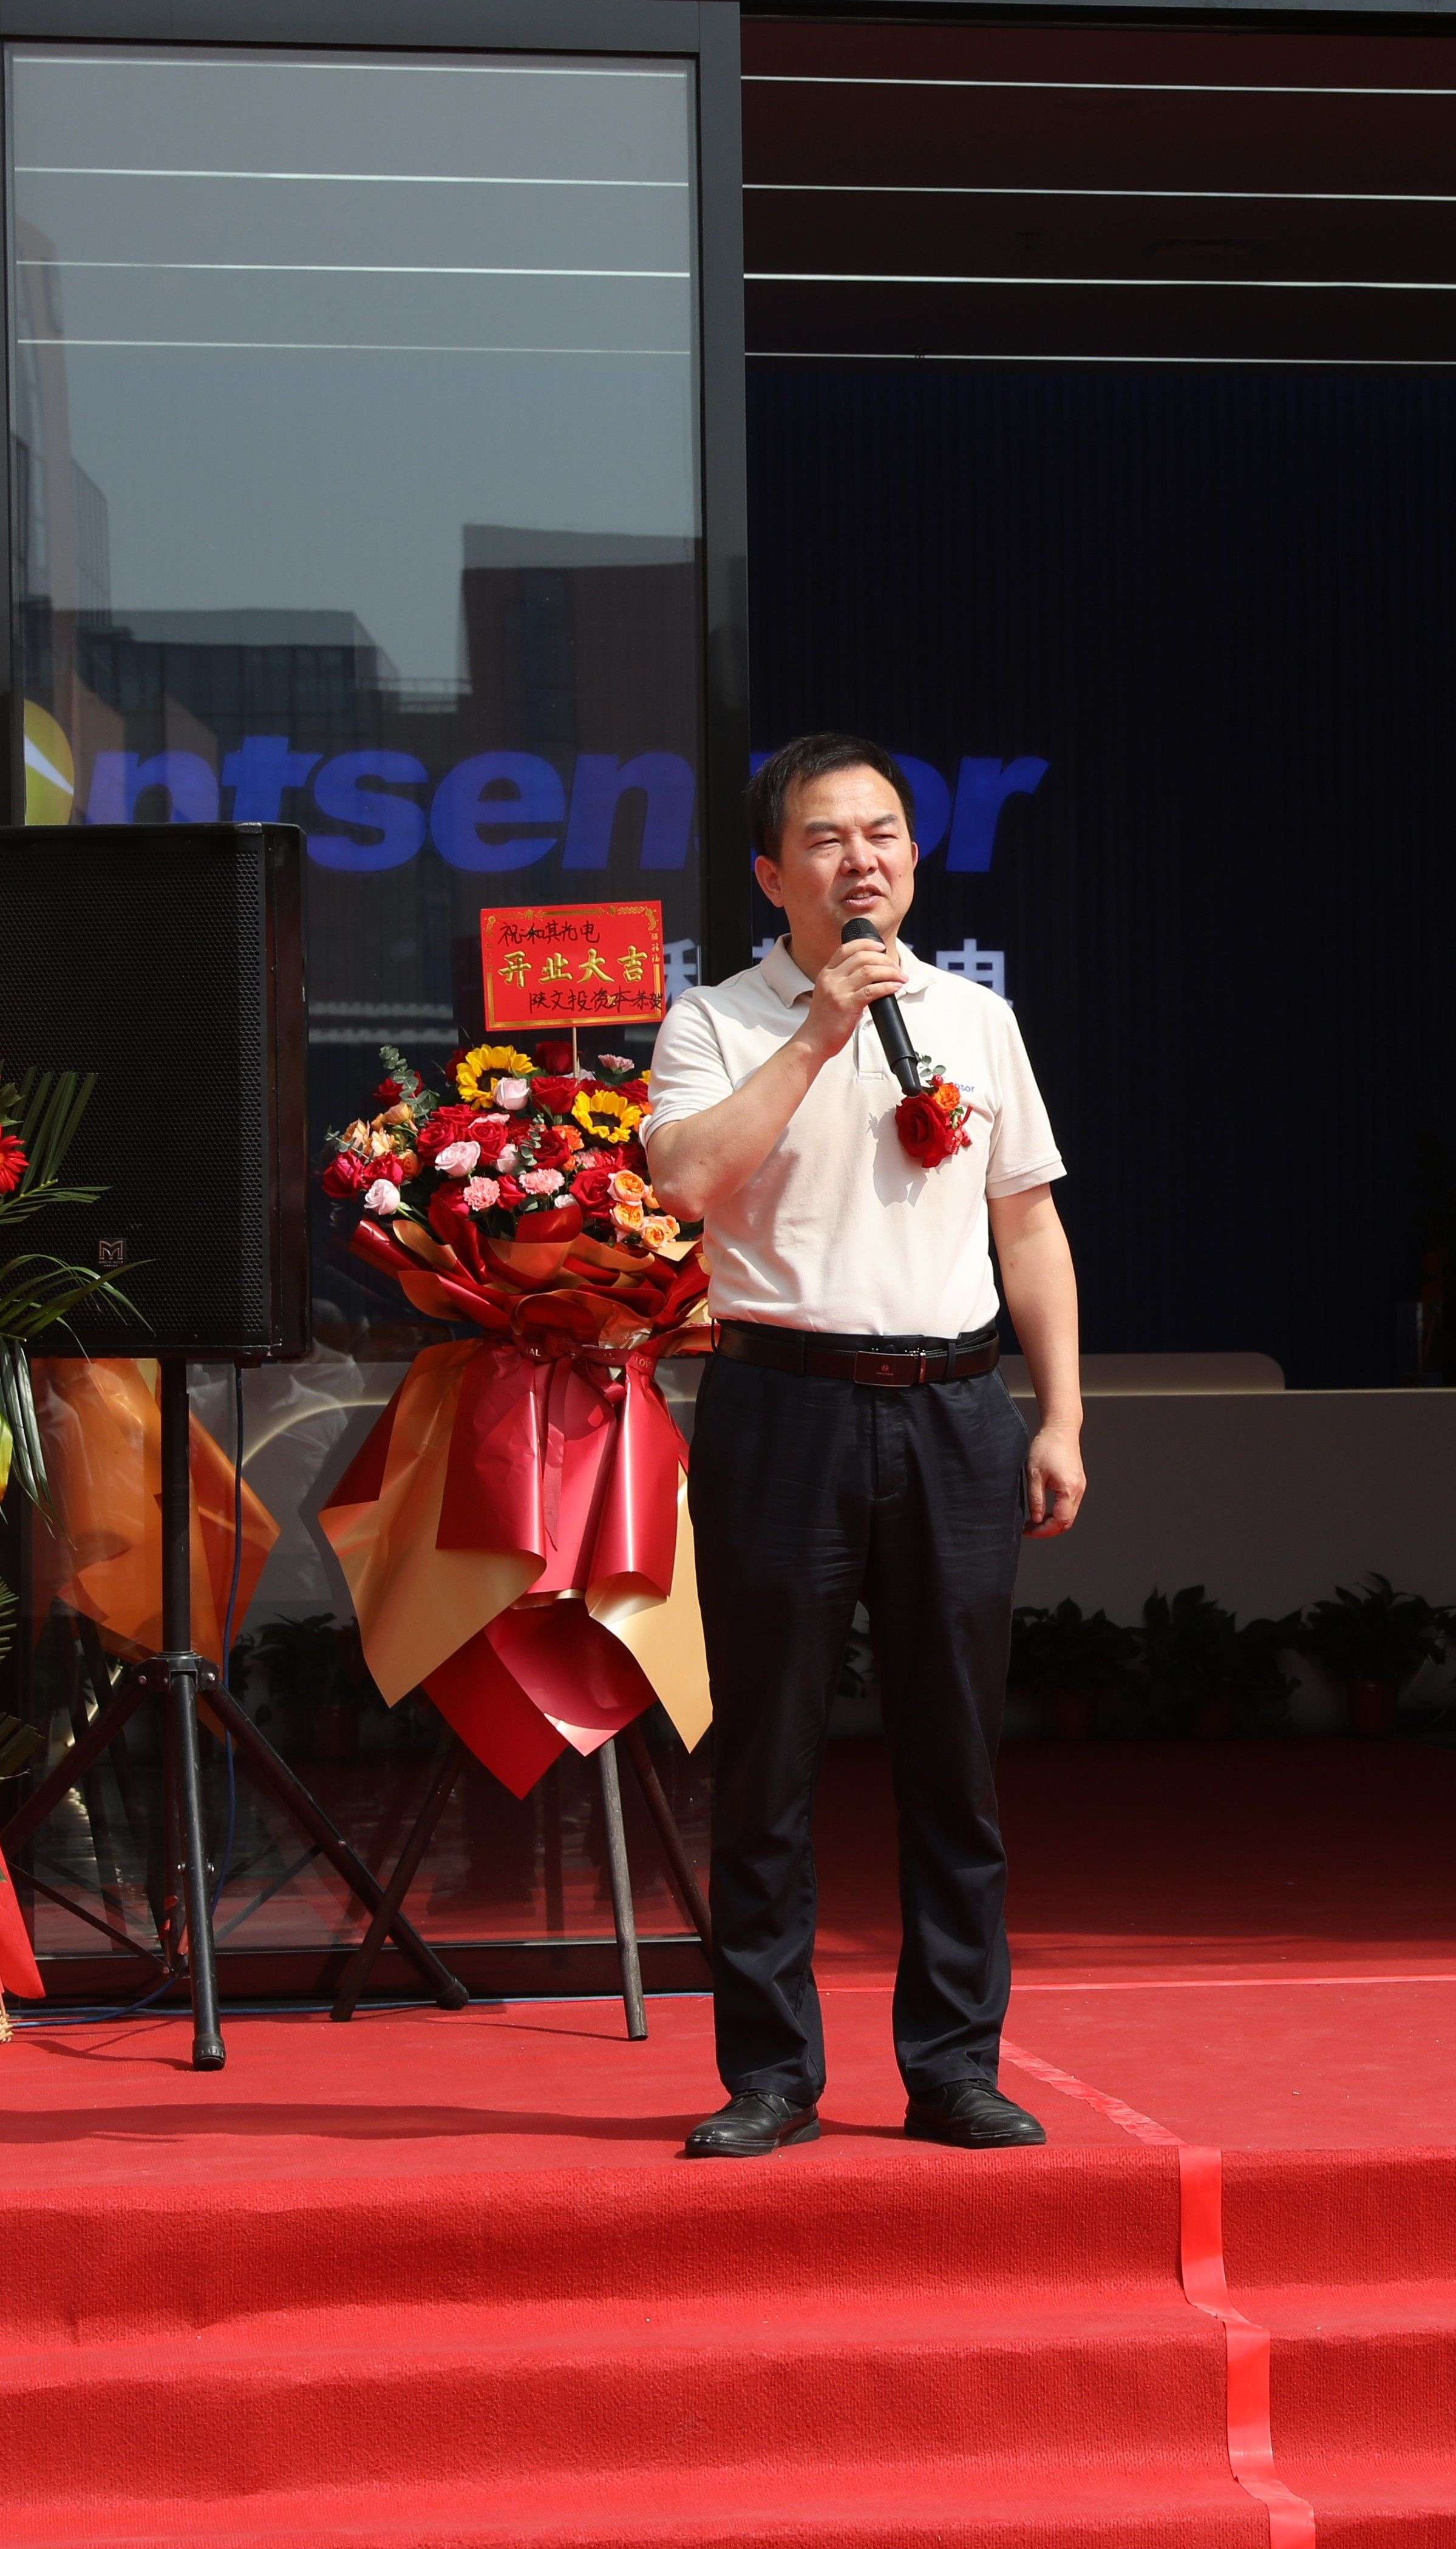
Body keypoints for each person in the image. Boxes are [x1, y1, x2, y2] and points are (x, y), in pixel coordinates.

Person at [641, 734, 1087, 2158]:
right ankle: (772, 2073)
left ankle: (954, 2063)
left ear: (913, 857)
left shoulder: (975, 1016)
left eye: (883, 833)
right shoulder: (717, 1020)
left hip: (955, 1406)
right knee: (767, 1756)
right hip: (783, 1406)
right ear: (773, 875)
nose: (862, 861)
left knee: (954, 1757)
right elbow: (684, 1179)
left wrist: (1061, 1413)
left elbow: (1028, 1220)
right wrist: (819, 1033)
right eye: (827, 839)